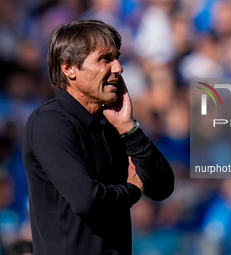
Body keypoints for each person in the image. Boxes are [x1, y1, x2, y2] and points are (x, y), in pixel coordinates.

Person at [22, 19, 174, 255]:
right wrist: (132, 190)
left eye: (117, 57)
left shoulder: (112, 122)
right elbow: (88, 200)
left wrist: (129, 128)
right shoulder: (50, 122)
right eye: (105, 59)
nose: (118, 68)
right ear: (69, 68)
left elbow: (162, 186)